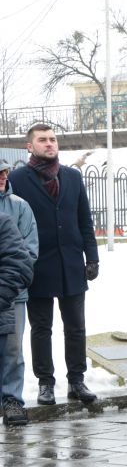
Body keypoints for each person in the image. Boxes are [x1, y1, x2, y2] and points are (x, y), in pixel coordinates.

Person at [9, 124, 99, 406]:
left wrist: (92, 256)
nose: (49, 144)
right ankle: (45, 383)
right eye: (42, 140)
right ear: (30, 146)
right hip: (37, 265)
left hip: (71, 262)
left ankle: (77, 381)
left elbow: (84, 218)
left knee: (76, 327)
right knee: (41, 328)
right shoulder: (18, 179)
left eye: (52, 139)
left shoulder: (72, 176)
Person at [0, 160, 38, 424]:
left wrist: (6, 286)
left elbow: (27, 253)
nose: (2, 176)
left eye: (4, 171)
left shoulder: (19, 206)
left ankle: (12, 399)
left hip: (12, 293)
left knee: (12, 351)